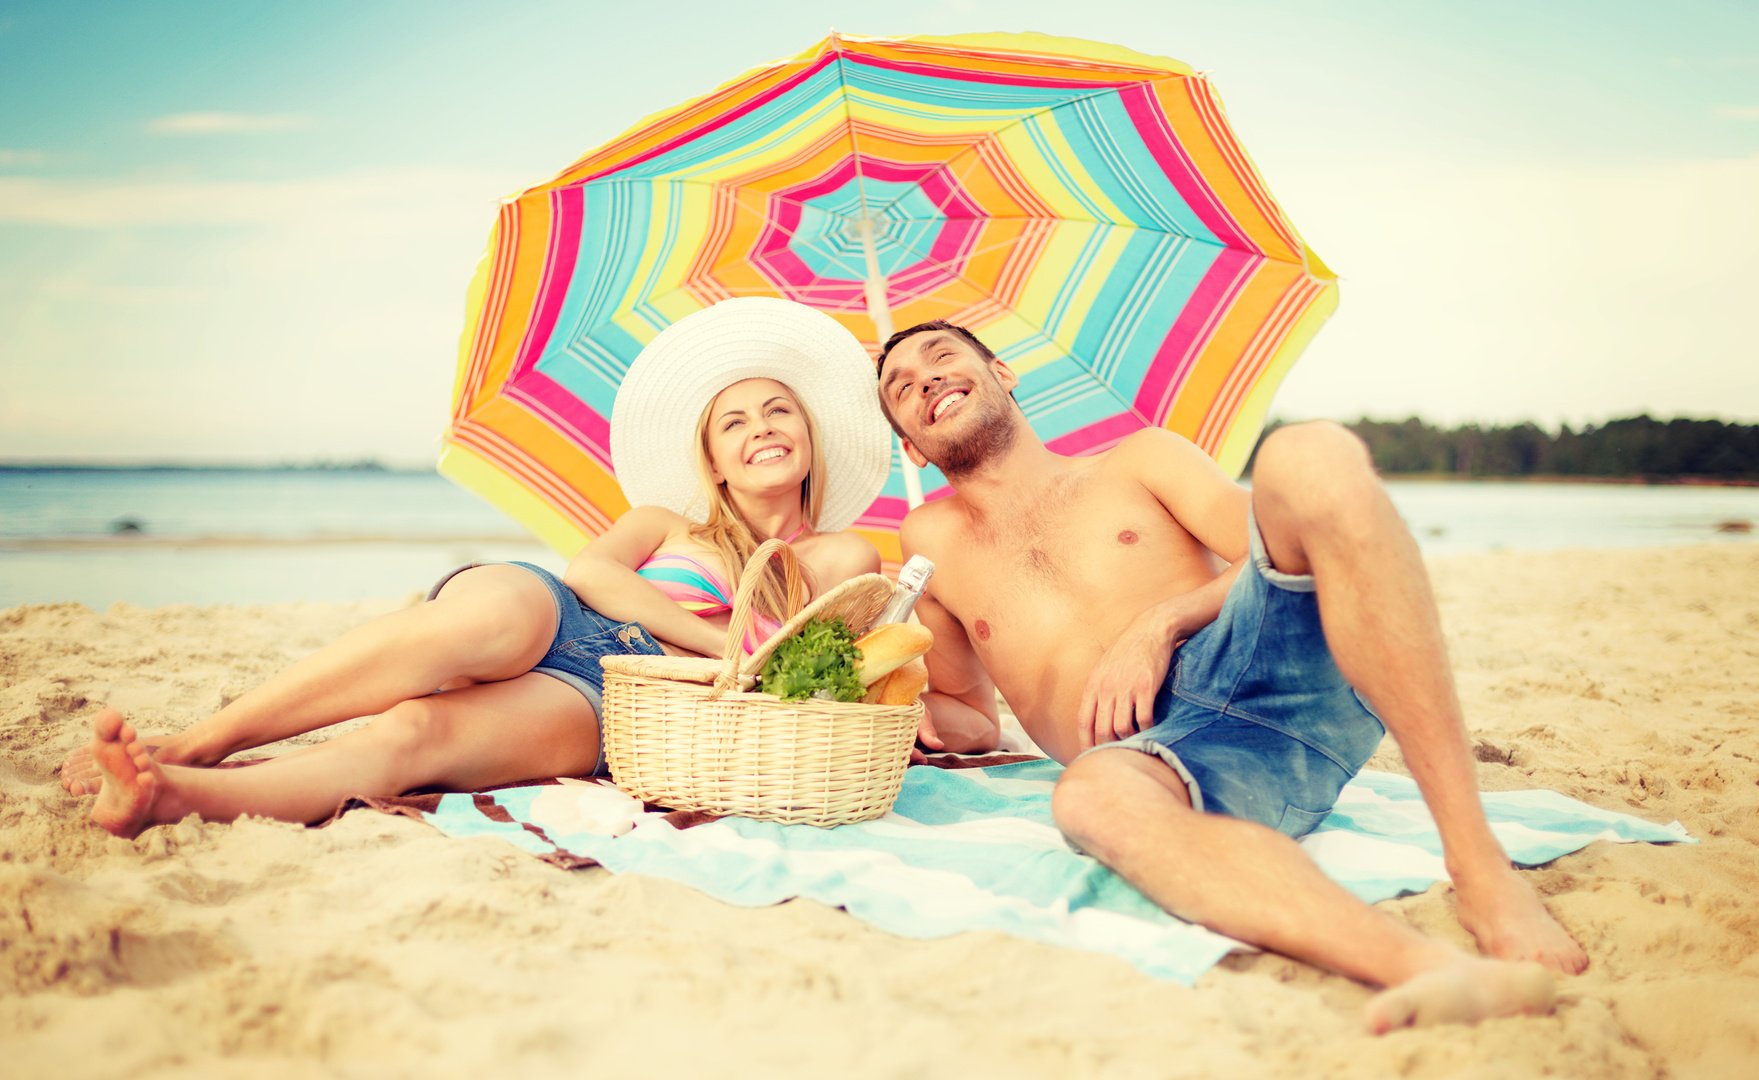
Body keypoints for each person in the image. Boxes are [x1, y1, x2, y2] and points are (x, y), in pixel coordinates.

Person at [875, 320, 1587, 1033]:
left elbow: (1294, 541)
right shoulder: (927, 542)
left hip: (1270, 659)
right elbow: (968, 716)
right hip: (1175, 759)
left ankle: (1480, 870)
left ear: (1002, 372)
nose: (925, 379)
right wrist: (915, 721)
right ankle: (1431, 971)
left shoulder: (1137, 460)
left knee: (1307, 453)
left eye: (940, 357)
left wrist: (1161, 623)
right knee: (1085, 800)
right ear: (908, 444)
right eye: (899, 387)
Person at [61, 297, 893, 839]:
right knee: (489, 618)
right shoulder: (663, 521)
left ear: (811, 432)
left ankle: (168, 797)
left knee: (413, 735)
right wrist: (714, 645)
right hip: (562, 617)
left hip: (618, 699)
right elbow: (595, 577)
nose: (760, 428)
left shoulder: (834, 556)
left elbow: (806, 675)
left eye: (778, 409)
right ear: (713, 463)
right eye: (734, 423)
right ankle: (201, 743)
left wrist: (724, 659)